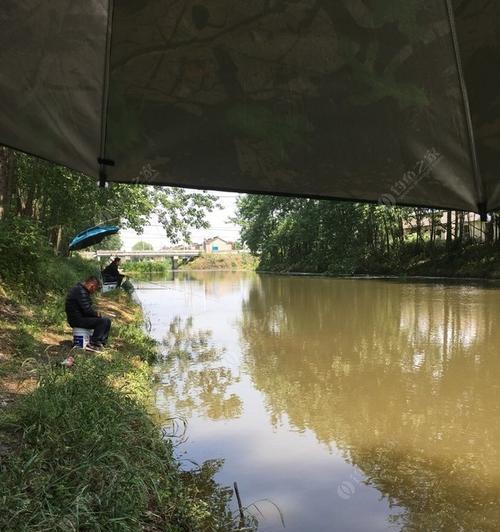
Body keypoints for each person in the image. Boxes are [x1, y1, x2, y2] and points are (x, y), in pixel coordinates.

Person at [65, 276, 111, 350]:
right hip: (76, 320)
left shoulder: (81, 290)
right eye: (95, 289)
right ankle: (94, 342)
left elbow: (86, 309)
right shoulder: (80, 291)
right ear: (92, 286)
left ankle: (101, 343)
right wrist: (97, 314)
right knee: (103, 321)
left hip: (80, 317)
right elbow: (87, 310)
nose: (94, 291)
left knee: (107, 321)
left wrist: (96, 314)